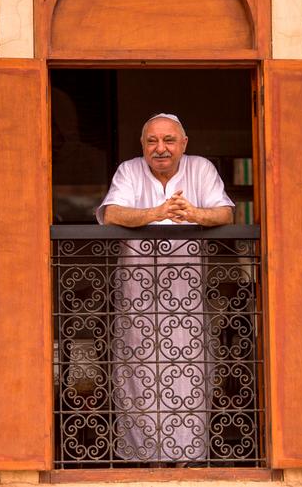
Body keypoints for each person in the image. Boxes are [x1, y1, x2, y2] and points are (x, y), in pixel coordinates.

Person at [96, 113, 233, 464]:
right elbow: (112, 213)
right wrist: (157, 212)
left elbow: (224, 214)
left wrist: (194, 214)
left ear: (183, 144)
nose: (161, 148)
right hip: (137, 293)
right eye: (152, 141)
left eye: (169, 140)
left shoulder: (200, 168)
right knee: (138, 369)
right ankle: (145, 459)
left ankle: (187, 457)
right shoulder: (129, 170)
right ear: (142, 146)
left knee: (189, 367)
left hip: (185, 293)